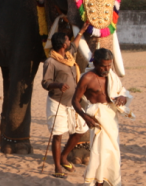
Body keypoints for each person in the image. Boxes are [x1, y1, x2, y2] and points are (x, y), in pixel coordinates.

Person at [72, 48, 134, 186]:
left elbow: (121, 91)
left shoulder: (112, 75)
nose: (106, 69)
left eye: (109, 65)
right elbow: (75, 101)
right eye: (103, 66)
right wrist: (85, 117)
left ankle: (108, 181)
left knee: (113, 152)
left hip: (111, 118)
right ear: (95, 63)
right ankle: (98, 182)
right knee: (99, 153)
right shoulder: (87, 78)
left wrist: (123, 97)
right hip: (97, 119)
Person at [42, 22, 90, 179]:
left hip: (73, 102)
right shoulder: (51, 62)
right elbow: (45, 82)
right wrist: (58, 84)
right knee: (57, 135)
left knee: (80, 131)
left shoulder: (68, 56)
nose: (70, 42)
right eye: (67, 40)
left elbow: (75, 45)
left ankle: (64, 156)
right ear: (63, 44)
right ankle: (57, 166)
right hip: (58, 102)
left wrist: (82, 31)